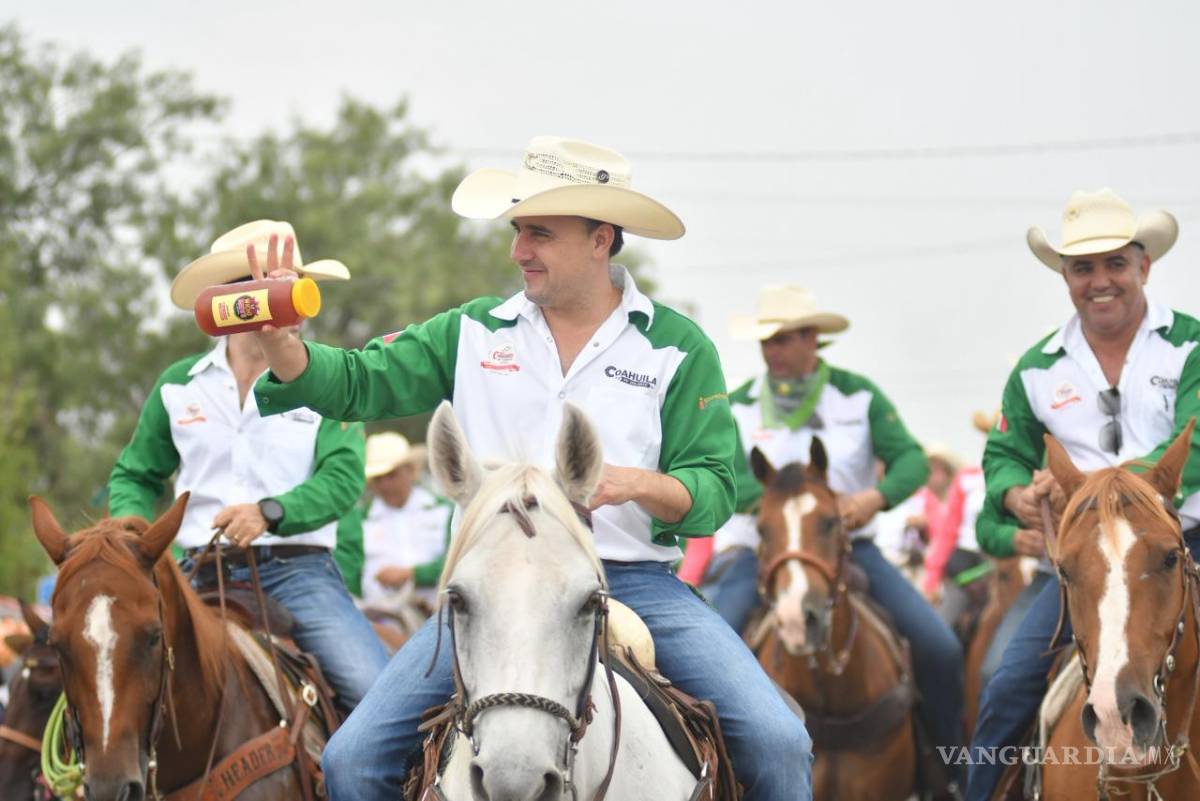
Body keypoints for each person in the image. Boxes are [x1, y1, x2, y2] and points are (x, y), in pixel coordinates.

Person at [247, 136, 814, 801]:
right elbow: (357, 382)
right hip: (490, 590)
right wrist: (285, 349)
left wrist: (633, 483)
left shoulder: (677, 347)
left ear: (601, 239)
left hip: (633, 583)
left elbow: (715, 489)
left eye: (539, 233)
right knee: (352, 760)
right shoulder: (472, 330)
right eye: (518, 231)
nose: (519, 250)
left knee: (780, 744)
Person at [967, 188, 1200, 800]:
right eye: (1083, 268)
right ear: (1066, 277)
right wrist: (1014, 495)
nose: (1100, 281)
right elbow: (1003, 455)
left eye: (1115, 263)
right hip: (1083, 563)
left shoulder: (1191, 346)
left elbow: (1196, 441)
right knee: (1003, 682)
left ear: (1144, 266)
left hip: (1183, 542)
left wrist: (1106, 488)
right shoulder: (1035, 368)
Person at [107, 220, 390, 714]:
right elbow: (135, 475)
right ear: (235, 300)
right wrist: (132, 544)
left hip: (298, 574)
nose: (293, 303)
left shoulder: (331, 380)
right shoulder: (178, 385)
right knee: (105, 681)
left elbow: (343, 479)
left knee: (377, 698)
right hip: (195, 573)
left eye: (295, 288)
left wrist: (270, 512)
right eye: (276, 288)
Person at [697, 285, 963, 791]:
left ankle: (947, 774)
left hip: (852, 548)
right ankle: (713, 776)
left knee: (940, 647)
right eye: (766, 341)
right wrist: (782, 504)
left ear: (812, 338)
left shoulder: (858, 396)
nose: (772, 351)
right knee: (708, 651)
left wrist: (873, 498)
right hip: (765, 552)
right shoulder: (739, 405)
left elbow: (909, 459)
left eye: (783, 339)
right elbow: (726, 473)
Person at [359, 431, 450, 607]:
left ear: (410, 470)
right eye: (378, 479)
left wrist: (412, 574)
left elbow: (457, 560)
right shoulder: (360, 520)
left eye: (391, 475)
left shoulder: (444, 510)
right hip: (380, 614)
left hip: (439, 609)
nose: (385, 485)